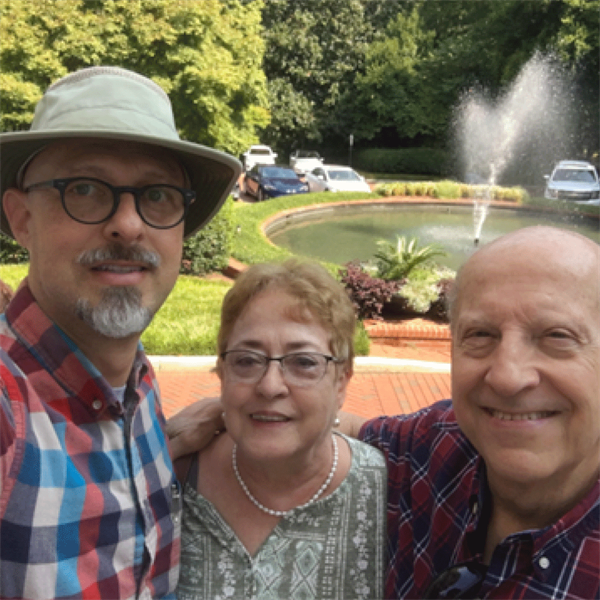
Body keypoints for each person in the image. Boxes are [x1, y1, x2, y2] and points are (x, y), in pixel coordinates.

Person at [168, 226, 600, 600]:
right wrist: (237, 414)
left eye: (557, 336)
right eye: (480, 334)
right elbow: (348, 426)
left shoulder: (383, 482)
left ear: (343, 378)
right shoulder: (445, 445)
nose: (507, 377)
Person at [0, 66, 241, 600]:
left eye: (156, 195)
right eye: (84, 188)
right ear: (21, 219)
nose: (128, 225)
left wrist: (165, 440)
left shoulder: (137, 386)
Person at [175, 259, 387, 600]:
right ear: (223, 373)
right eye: (247, 360)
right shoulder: (171, 480)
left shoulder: (387, 494)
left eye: (303, 362)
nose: (270, 386)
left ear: (341, 382)